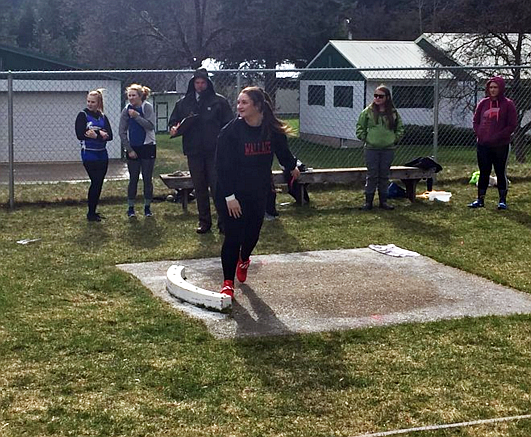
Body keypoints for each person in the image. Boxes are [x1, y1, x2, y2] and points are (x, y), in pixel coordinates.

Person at [216, 86, 300, 297]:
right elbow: (222, 167)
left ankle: (244, 260)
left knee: (252, 234)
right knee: (233, 236)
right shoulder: (230, 132)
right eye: (238, 102)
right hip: (231, 193)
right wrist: (230, 197)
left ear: (258, 106)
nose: (239, 107)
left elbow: (283, 153)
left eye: (244, 102)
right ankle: (228, 282)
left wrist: (292, 166)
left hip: (259, 190)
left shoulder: (271, 130)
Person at [169, 68, 233, 234]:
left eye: (203, 82)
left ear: (208, 83)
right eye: (197, 82)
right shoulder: (183, 103)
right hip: (194, 151)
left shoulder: (219, 102)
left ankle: (224, 222)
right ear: (193, 83)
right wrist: (174, 128)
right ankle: (204, 222)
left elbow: (229, 124)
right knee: (199, 187)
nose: (200, 85)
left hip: (215, 152)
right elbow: (173, 122)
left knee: (217, 186)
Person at [469, 76, 517, 210]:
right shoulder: (483, 103)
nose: (493, 90)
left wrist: (498, 137)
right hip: (483, 145)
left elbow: (511, 125)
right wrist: (480, 134)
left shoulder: (508, 104)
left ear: (500, 88)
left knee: (500, 172)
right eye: (491, 87)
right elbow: (476, 121)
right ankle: (480, 199)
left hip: (500, 145)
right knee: (484, 171)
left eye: (495, 87)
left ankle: (502, 200)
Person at [356, 85, 404, 210]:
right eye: (375, 95)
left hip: (388, 149)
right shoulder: (368, 112)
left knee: (384, 175)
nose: (377, 98)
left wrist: (394, 139)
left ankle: (384, 202)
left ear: (387, 98)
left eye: (380, 96)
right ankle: (368, 202)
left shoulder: (393, 113)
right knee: (372, 175)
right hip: (371, 149)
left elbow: (400, 128)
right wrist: (366, 138)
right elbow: (360, 127)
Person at [75, 89, 113, 222]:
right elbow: (80, 134)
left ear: (99, 103)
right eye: (88, 101)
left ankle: (93, 211)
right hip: (89, 154)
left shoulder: (103, 117)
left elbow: (110, 136)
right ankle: (90, 213)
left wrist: (98, 135)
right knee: (95, 181)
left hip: (102, 154)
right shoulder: (83, 115)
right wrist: (99, 135)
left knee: (99, 183)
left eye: (93, 102)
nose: (90, 104)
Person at [119, 84, 157, 218]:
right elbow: (122, 131)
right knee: (133, 178)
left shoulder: (147, 107)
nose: (131, 98)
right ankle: (130, 208)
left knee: (147, 178)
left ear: (140, 96)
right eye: (129, 95)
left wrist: (136, 116)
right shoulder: (126, 110)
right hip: (133, 148)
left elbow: (150, 126)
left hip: (148, 146)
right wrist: (129, 149)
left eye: (134, 95)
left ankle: (147, 208)